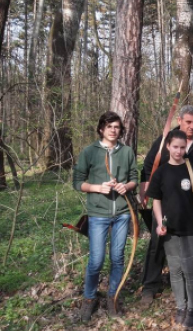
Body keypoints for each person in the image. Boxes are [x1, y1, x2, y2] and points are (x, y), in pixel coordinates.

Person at [139, 105, 193, 305]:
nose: (192, 126)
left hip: (192, 207)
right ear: (179, 120)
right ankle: (150, 286)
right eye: (188, 122)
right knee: (158, 244)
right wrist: (145, 197)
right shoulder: (164, 142)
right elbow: (149, 168)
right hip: (165, 205)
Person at [73, 111, 138, 322]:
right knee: (96, 260)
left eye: (117, 127)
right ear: (101, 128)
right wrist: (97, 188)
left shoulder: (127, 152)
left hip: (121, 213)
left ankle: (113, 296)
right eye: (109, 126)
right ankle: (89, 299)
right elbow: (78, 182)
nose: (113, 130)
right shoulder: (89, 152)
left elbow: (134, 178)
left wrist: (125, 186)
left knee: (117, 258)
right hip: (98, 214)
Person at [146, 130, 193, 328]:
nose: (179, 151)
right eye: (175, 147)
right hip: (169, 230)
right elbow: (156, 201)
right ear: (168, 147)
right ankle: (181, 306)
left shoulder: (192, 171)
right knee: (175, 270)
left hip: (190, 229)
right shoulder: (161, 172)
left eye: (182, 148)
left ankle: (192, 307)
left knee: (190, 270)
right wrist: (159, 223)